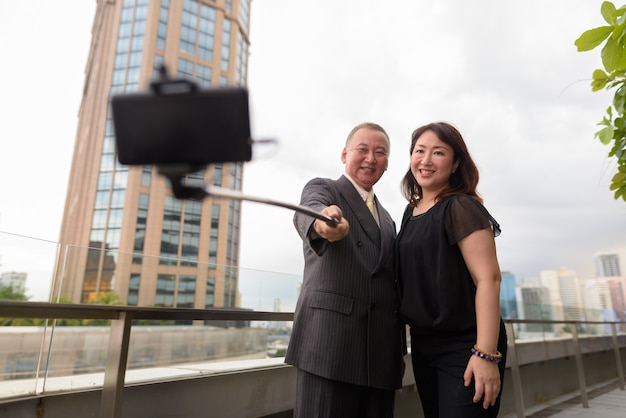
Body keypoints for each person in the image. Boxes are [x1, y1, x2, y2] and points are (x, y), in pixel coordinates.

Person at [285, 122, 406, 418]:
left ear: (387, 164)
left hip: (380, 358)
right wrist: (323, 223)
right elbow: (310, 212)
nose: (370, 158)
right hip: (329, 348)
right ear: (344, 154)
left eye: (380, 153)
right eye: (362, 150)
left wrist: (399, 349)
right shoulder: (325, 189)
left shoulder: (388, 220)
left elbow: (392, 288)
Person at [396, 122, 507, 418]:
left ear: (456, 163)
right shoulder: (411, 211)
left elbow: (489, 279)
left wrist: (485, 353)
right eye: (420, 151)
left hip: (467, 345)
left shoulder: (461, 207)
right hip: (424, 345)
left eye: (438, 152)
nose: (426, 160)